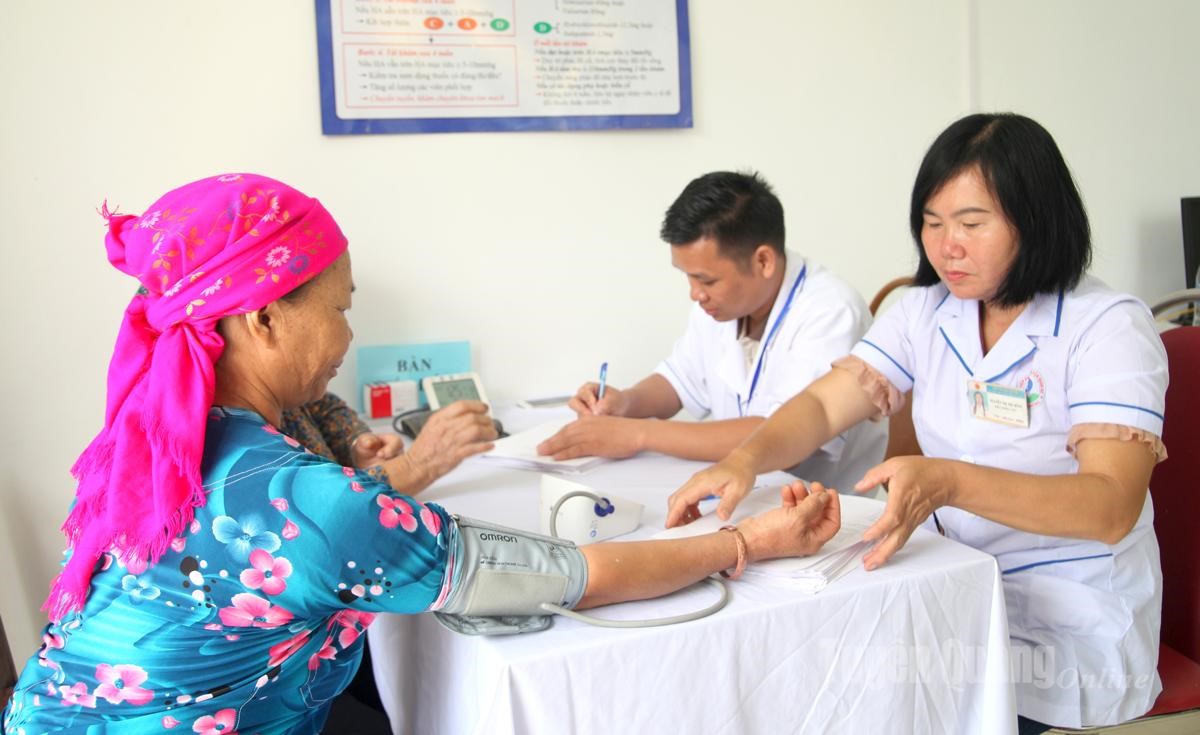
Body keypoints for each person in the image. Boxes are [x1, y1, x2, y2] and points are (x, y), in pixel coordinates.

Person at [2, 173, 843, 735]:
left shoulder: (153, 447)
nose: (348, 336)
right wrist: (747, 542)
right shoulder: (309, 505)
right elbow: (577, 573)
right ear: (262, 319)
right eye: (340, 309)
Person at [665, 114, 1167, 729]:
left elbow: (1110, 506)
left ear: (1035, 220)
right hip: (948, 587)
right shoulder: (926, 311)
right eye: (932, 223)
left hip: (1066, 626)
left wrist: (949, 482)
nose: (946, 246)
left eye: (971, 224)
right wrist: (744, 460)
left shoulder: (1107, 326)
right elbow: (824, 405)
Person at [538, 171, 886, 492]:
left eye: (706, 280)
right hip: (738, 496)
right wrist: (627, 402)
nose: (695, 294)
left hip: (820, 508)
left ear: (763, 261)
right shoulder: (721, 305)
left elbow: (786, 435)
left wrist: (639, 434)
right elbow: (679, 381)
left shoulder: (831, 311)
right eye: (688, 277)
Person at [281, 391, 496, 494]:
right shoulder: (258, 440)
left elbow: (322, 406)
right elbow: (315, 501)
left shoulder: (289, 391)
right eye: (339, 314)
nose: (349, 334)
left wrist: (356, 444)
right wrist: (416, 465)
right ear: (267, 322)